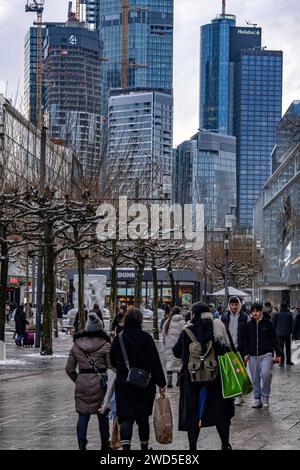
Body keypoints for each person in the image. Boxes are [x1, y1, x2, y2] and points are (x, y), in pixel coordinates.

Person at [173, 302, 234, 451]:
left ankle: (193, 447)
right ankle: (225, 444)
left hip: (192, 379)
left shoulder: (187, 331)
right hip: (216, 379)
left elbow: (176, 351)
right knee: (220, 413)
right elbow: (230, 350)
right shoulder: (218, 329)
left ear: (194, 314)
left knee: (193, 414)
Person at [110, 308, 166, 451]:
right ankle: (144, 447)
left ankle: (126, 448)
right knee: (142, 419)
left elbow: (112, 360)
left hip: (124, 384)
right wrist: (161, 383)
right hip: (144, 384)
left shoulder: (119, 338)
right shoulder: (146, 338)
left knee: (126, 417)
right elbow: (155, 362)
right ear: (140, 321)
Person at [66, 312, 112, 451]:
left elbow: (69, 368)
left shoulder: (76, 345)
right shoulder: (106, 345)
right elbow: (111, 368)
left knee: (83, 415)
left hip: (82, 382)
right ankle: (105, 444)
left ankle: (81, 443)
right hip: (100, 384)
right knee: (102, 414)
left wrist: (78, 380)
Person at [244, 303, 282, 409]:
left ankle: (265, 397)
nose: (255, 313)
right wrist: (245, 354)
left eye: (257, 311)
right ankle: (257, 399)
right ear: (251, 312)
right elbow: (245, 340)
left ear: (261, 312)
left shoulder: (268, 324)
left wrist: (279, 353)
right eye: (253, 311)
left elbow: (274, 339)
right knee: (255, 379)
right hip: (252, 356)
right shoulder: (248, 325)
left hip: (266, 354)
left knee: (265, 375)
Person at [221, 296, 249, 405]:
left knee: (240, 371)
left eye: (236, 304)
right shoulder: (224, 317)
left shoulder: (245, 317)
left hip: (240, 348)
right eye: (232, 304)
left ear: (239, 305)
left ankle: (239, 395)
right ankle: (233, 393)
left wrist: (247, 351)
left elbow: (248, 335)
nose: (234, 307)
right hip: (228, 348)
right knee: (229, 371)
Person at [162, 306, 185, 388]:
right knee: (179, 363)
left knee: (170, 363)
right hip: (179, 346)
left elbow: (163, 334)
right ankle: (178, 382)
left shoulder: (167, 321)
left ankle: (169, 383)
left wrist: (166, 343)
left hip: (169, 346)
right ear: (179, 312)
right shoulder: (183, 322)